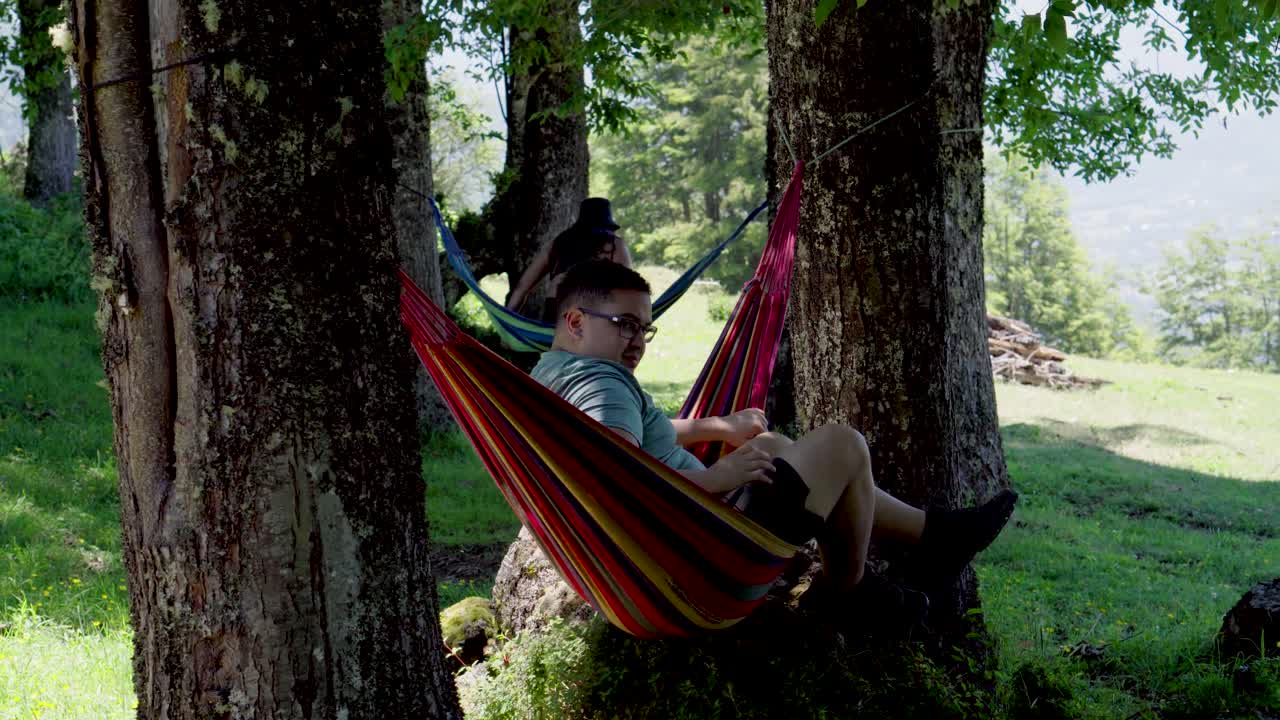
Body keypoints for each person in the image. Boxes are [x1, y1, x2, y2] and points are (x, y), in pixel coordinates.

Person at [530, 259, 1018, 625]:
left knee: (773, 445)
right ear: (576, 322)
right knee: (843, 445)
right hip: (700, 550)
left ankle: (932, 538)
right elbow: (619, 477)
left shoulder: (554, 375)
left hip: (664, 548)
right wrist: (715, 478)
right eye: (625, 325)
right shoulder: (604, 381)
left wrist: (717, 426)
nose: (637, 341)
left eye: (645, 328)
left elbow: (628, 435)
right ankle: (847, 589)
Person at [507, 197, 633, 322]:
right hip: (591, 312)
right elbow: (629, 288)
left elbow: (522, 286)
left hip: (555, 308)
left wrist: (508, 320)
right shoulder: (615, 245)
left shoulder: (559, 243)